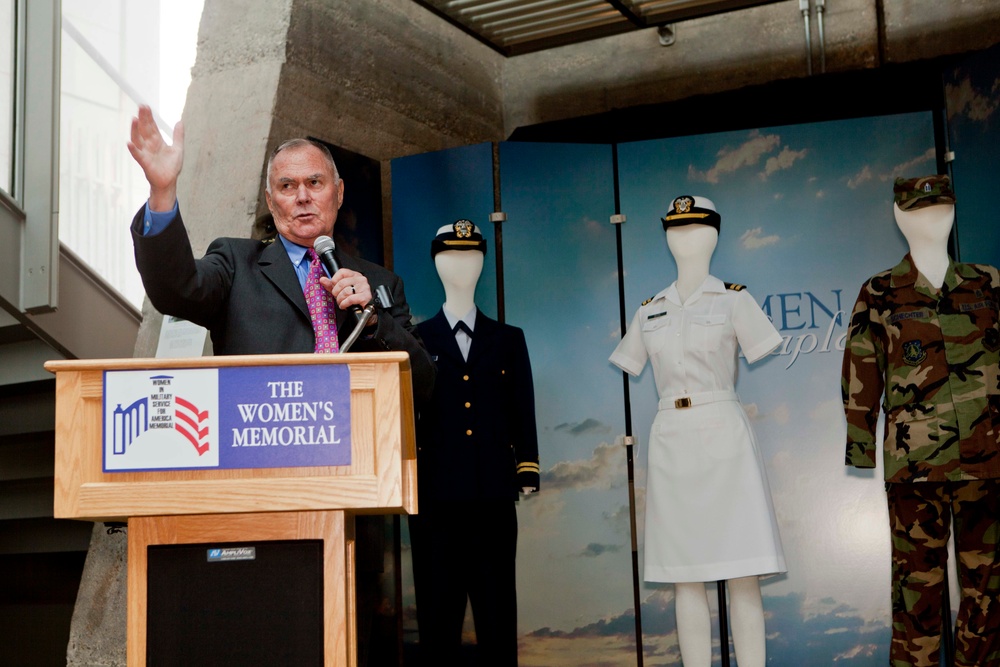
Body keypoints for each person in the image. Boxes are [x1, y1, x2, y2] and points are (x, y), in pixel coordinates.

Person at [125, 105, 435, 400]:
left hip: (356, 444)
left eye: (315, 182)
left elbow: (423, 385)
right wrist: (162, 193)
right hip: (263, 445)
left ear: (338, 193)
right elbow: (175, 290)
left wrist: (372, 320)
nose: (302, 197)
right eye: (287, 186)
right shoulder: (235, 263)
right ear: (271, 202)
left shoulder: (380, 282)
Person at [609, 196, 785, 667]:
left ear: (714, 235)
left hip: (724, 435)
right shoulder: (649, 310)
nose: (683, 238)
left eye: (694, 229)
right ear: (665, 236)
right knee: (685, 574)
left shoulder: (733, 298)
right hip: (672, 438)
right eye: (674, 229)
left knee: (743, 570)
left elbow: (760, 346)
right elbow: (632, 361)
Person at [842, 175, 1000, 667]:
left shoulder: (988, 283)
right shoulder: (881, 292)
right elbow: (860, 369)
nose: (933, 221)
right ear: (899, 217)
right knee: (916, 598)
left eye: (942, 210)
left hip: (988, 462)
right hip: (916, 469)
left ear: (954, 213)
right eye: (918, 212)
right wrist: (861, 446)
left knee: (989, 594)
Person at [408, 220, 540, 666]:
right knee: (437, 619)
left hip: (493, 501)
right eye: (452, 256)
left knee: (498, 615)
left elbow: (523, 408)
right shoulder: (417, 342)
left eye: (471, 255)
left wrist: (527, 465)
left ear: (483, 262)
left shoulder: (508, 340)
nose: (462, 264)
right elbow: (406, 418)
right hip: (435, 502)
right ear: (436, 263)